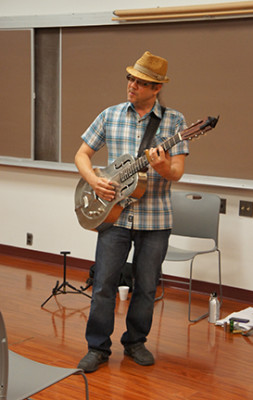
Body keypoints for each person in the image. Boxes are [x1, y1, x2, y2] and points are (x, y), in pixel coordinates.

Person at [75, 51, 189, 373]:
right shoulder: (110, 115)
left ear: (156, 89)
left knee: (146, 286)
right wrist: (95, 181)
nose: (132, 85)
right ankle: (97, 347)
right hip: (115, 216)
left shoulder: (175, 122)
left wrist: (163, 165)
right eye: (131, 78)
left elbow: (177, 172)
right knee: (103, 284)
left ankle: (135, 342)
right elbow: (82, 154)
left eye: (141, 82)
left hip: (155, 219)